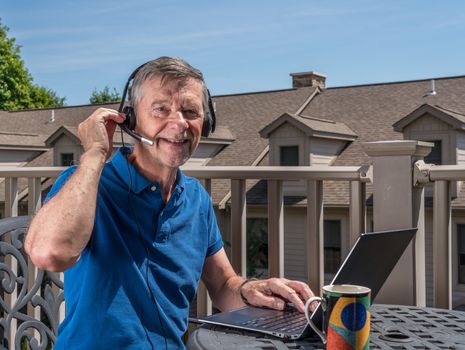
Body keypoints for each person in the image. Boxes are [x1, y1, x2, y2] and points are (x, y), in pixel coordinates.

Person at [25, 56, 314, 349]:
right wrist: (94, 154)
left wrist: (250, 289)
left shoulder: (196, 198)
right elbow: (49, 254)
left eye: (190, 111)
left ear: (206, 121)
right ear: (131, 120)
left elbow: (223, 285)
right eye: (161, 109)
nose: (178, 124)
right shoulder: (85, 184)